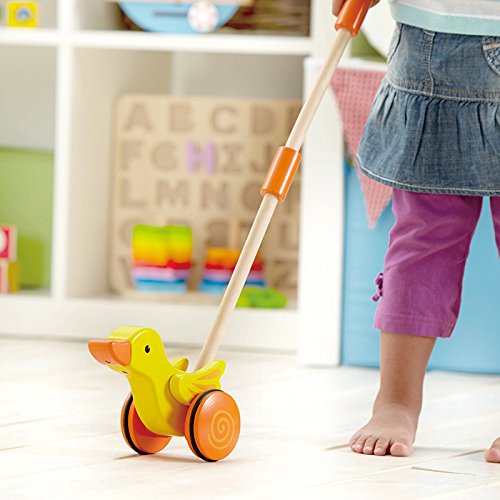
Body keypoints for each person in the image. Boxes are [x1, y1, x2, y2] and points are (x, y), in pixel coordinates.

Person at [332, 0, 500, 462]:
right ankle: (396, 400)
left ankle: (396, 401)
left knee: (421, 240)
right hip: (427, 44)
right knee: (422, 239)